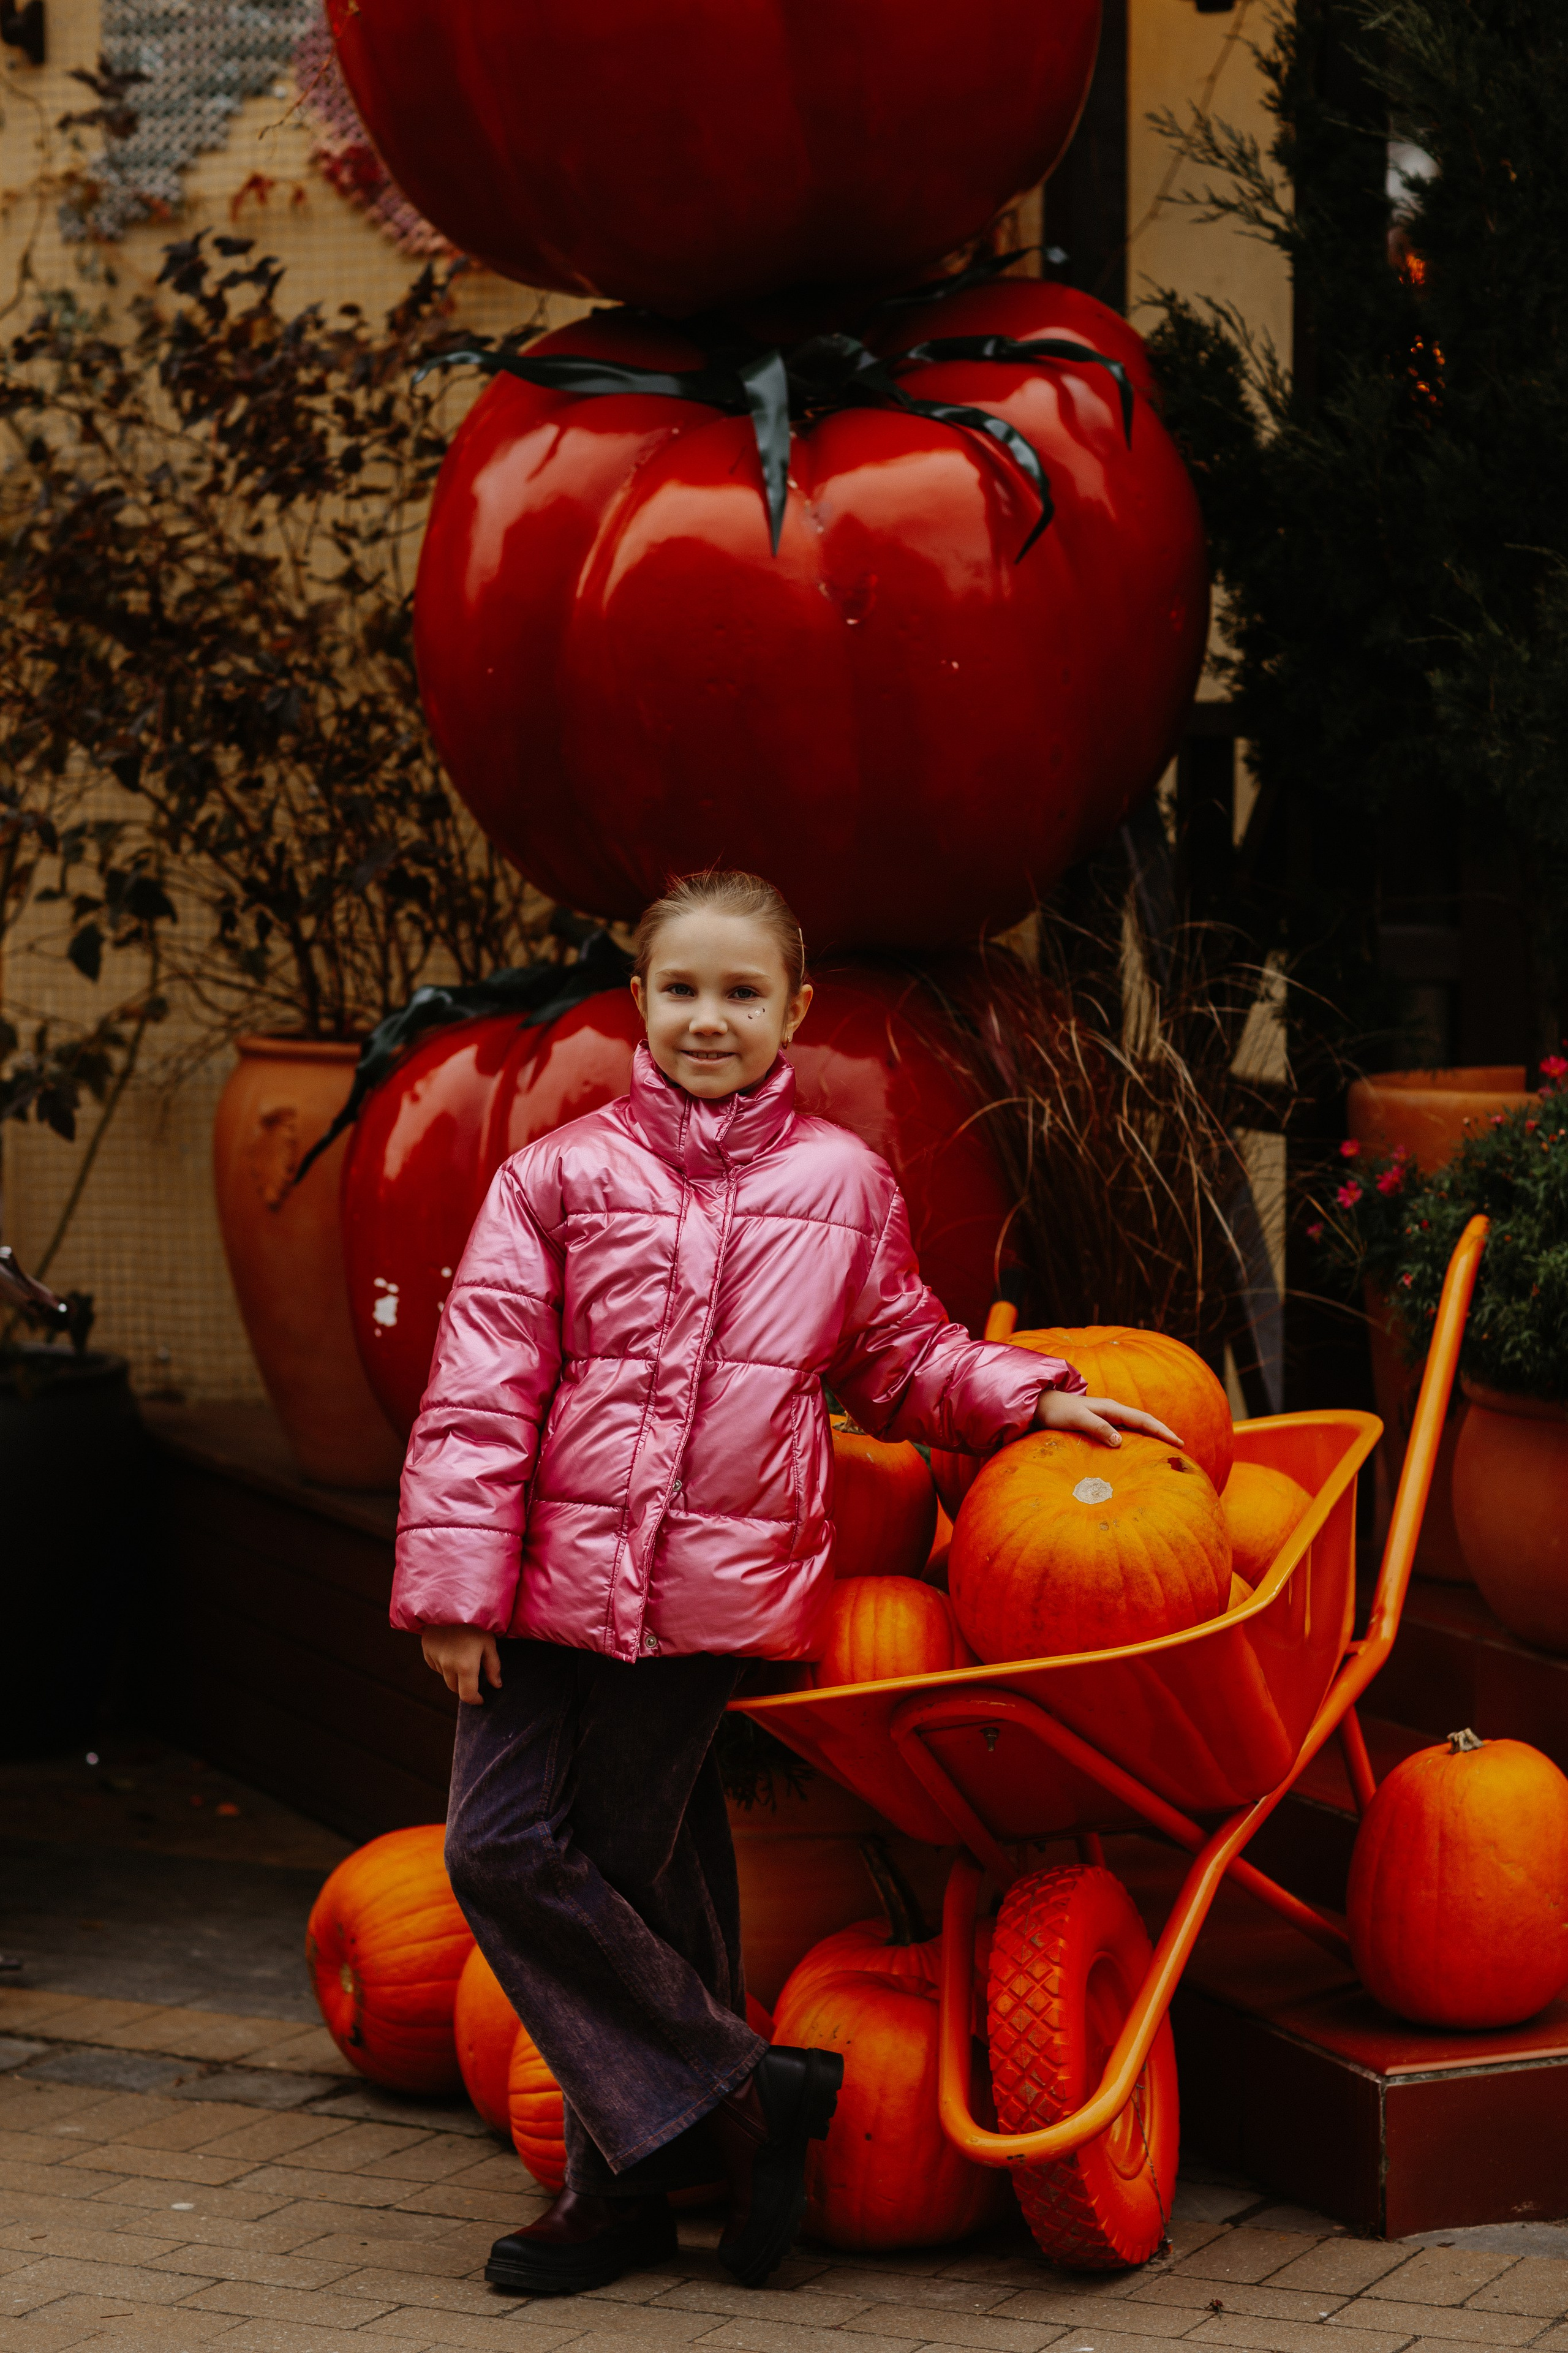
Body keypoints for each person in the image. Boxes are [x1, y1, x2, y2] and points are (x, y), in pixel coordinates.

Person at [393, 870, 1178, 2300]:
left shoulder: (836, 1180)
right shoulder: (558, 1177)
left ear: (792, 1011)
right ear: (636, 1001)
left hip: (704, 1595)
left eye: (741, 992)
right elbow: (479, 1391)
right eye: (680, 988)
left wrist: (1028, 1396)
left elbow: (900, 1353)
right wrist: (455, 1582)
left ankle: (627, 2191)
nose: (708, 1016)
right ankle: (750, 2093)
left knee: (645, 1867)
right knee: (496, 1846)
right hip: (536, 1583)